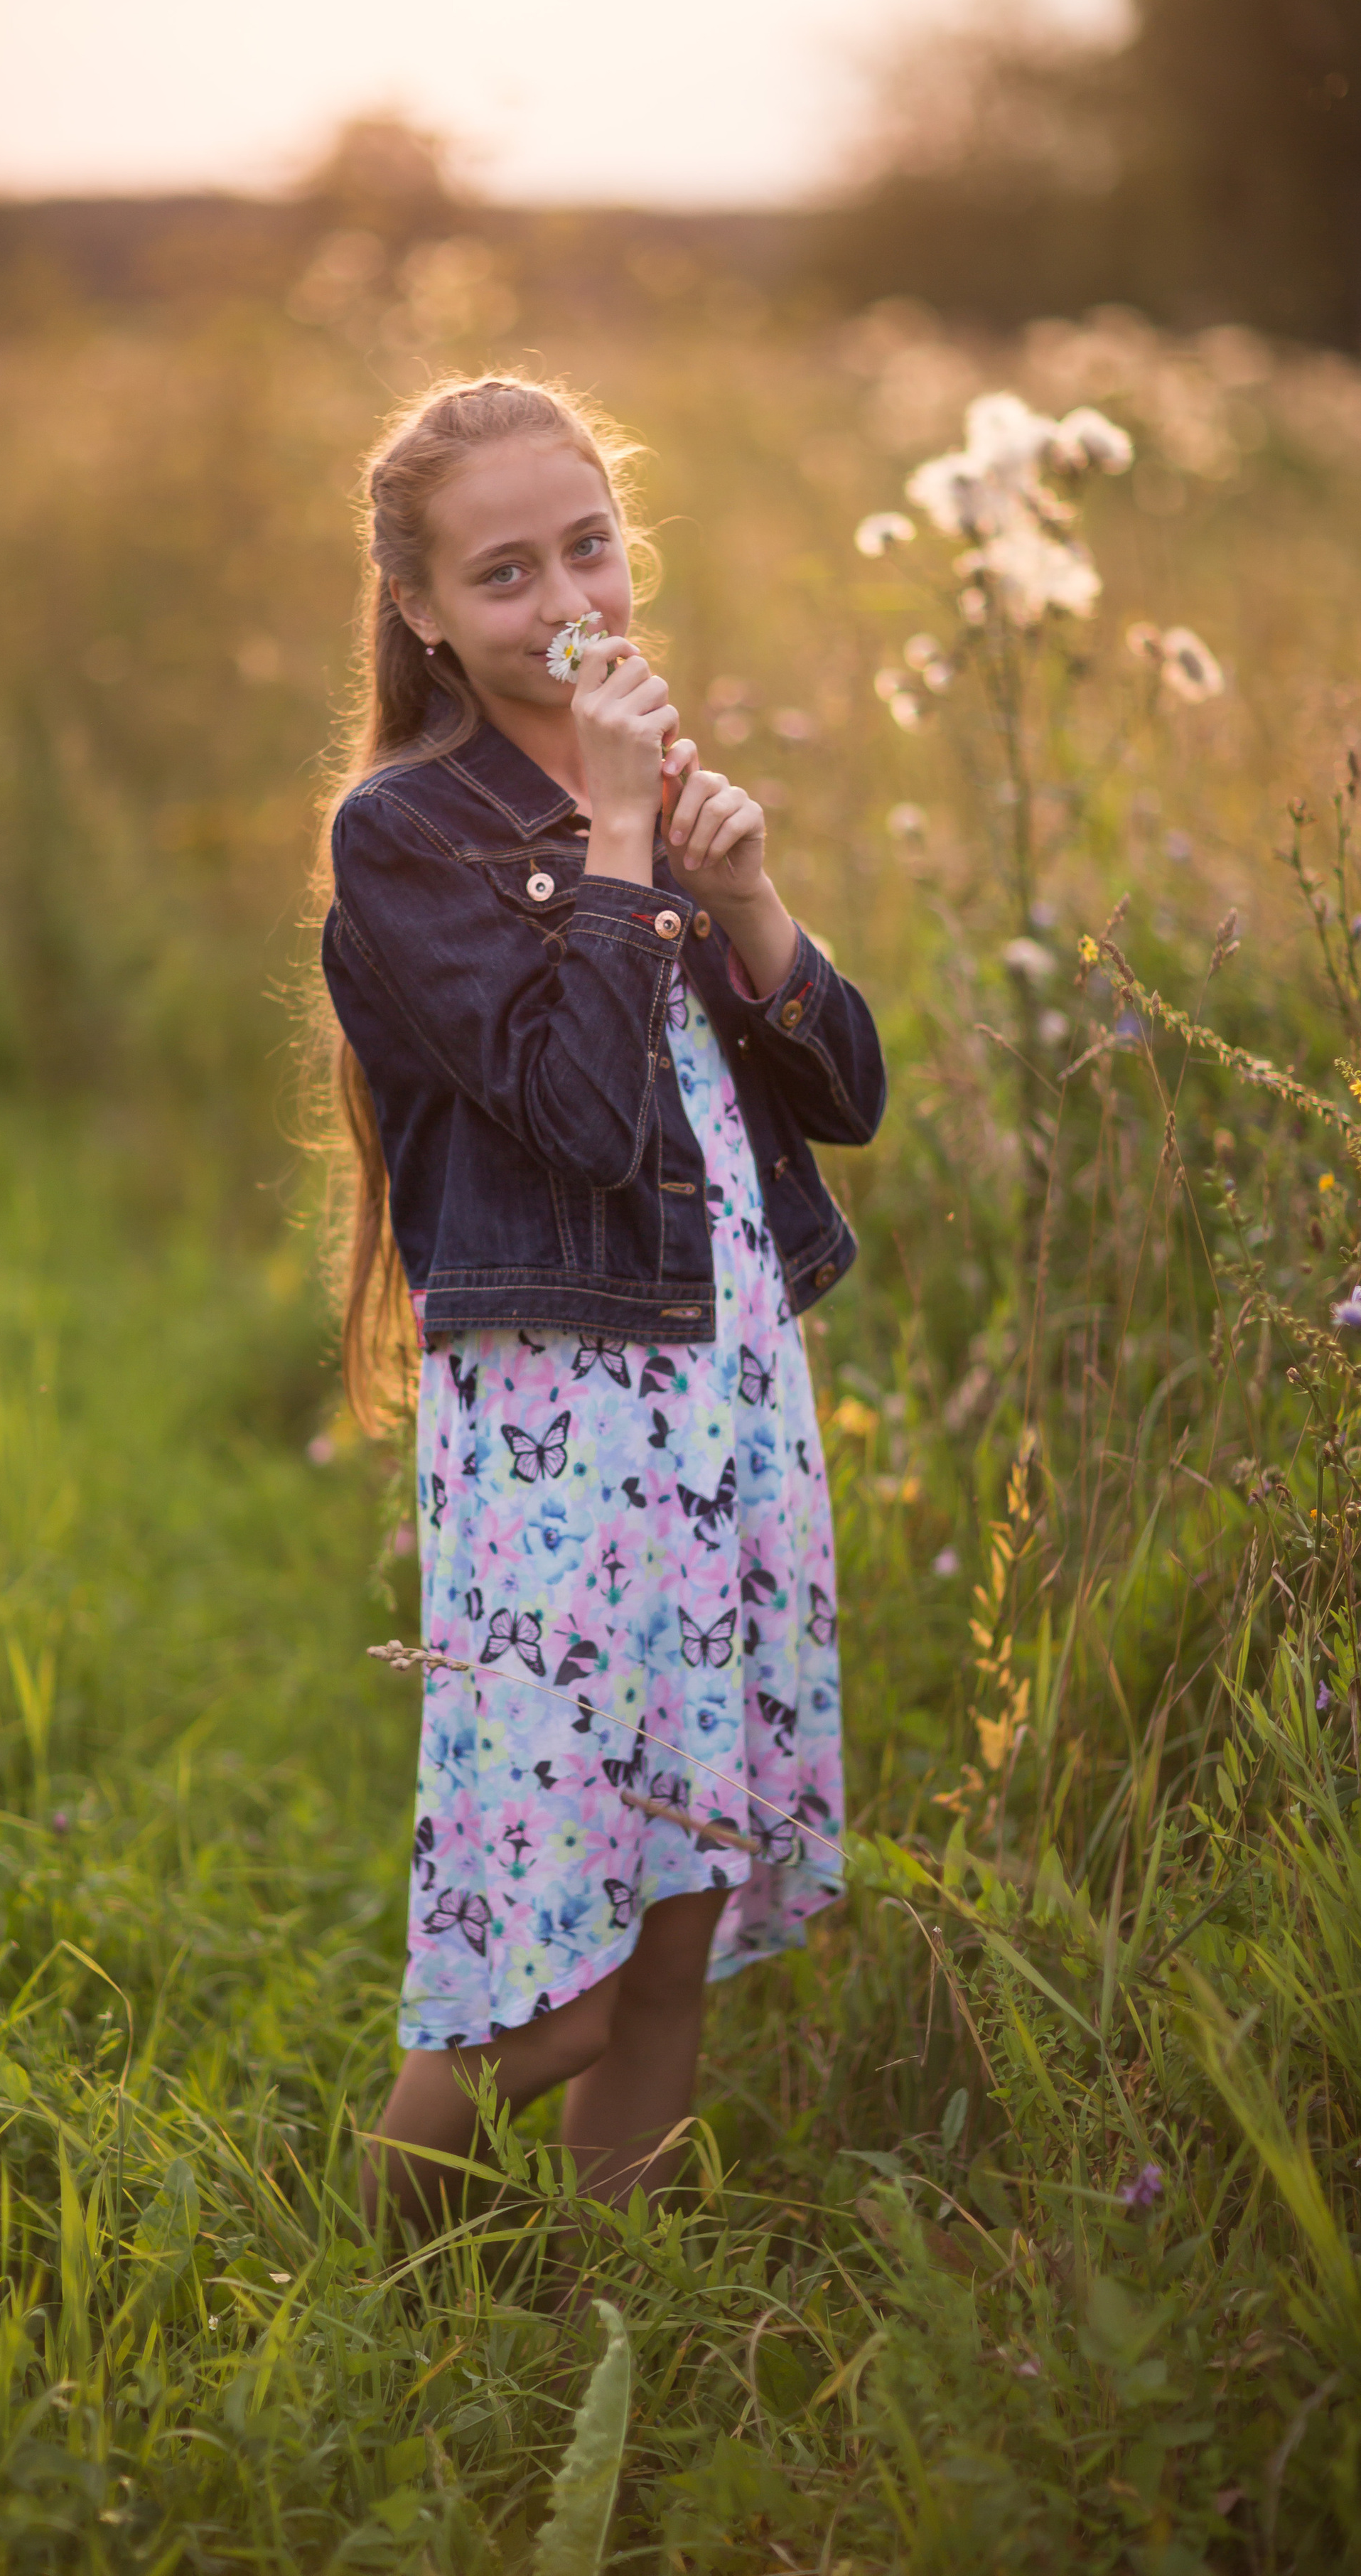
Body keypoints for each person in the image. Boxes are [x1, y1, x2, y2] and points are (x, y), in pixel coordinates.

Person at [316, 374, 885, 2228]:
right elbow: (575, 1112)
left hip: (729, 1398)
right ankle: (379, 2310)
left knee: (686, 1893)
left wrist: (747, 890)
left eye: (589, 546)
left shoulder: (641, 804)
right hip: (568, 1427)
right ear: (421, 612)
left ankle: (605, 2291)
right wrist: (632, 861)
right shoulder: (410, 837)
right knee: (551, 1974)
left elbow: (845, 1092)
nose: (567, 599)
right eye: (503, 574)